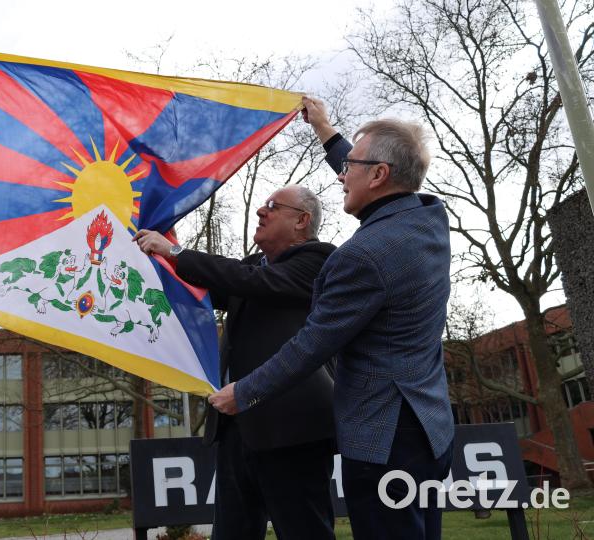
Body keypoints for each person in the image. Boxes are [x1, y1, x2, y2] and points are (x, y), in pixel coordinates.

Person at [210, 97, 455, 539]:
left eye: (351, 167)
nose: (342, 175)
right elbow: (378, 171)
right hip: (430, 430)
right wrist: (325, 129)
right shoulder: (426, 218)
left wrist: (242, 394)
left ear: (378, 175)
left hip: (384, 443)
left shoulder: (361, 257)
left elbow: (311, 346)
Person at [134, 184, 337, 539]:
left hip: (292, 432)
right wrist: (160, 257)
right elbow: (203, 289)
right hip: (236, 428)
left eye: (272, 206)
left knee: (305, 531)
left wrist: (176, 251)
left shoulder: (318, 262)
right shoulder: (253, 268)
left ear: (302, 221)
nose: (261, 211)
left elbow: (246, 280)